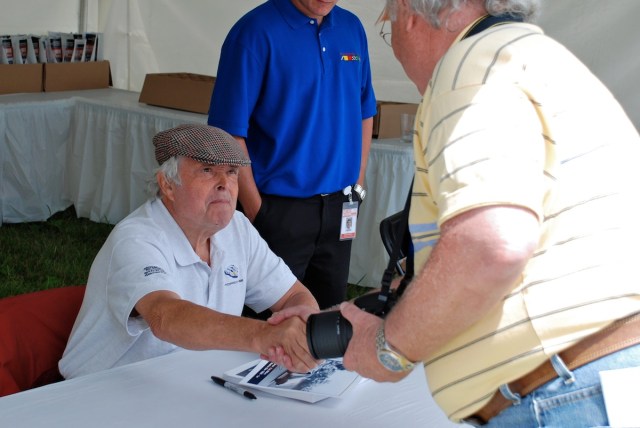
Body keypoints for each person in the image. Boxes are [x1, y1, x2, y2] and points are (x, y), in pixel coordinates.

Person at [335, 1, 640, 426]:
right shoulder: (536, 56)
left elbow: (490, 244)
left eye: (389, 27)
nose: (396, 45)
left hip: (561, 393)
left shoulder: (470, 66)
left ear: (409, 12)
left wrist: (388, 349)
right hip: (601, 373)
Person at [59, 124, 319, 379]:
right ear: (167, 185)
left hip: (188, 379)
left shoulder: (237, 228)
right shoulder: (137, 237)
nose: (224, 184)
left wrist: (304, 324)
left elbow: (292, 294)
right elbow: (165, 317)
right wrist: (264, 335)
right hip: (103, 387)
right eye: (207, 170)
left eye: (231, 172)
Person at [207, 0, 377, 310]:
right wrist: (257, 210)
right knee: (267, 323)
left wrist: (358, 184)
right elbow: (228, 131)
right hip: (279, 210)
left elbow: (365, 110)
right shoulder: (254, 32)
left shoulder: (352, 28)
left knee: (327, 318)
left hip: (340, 207)